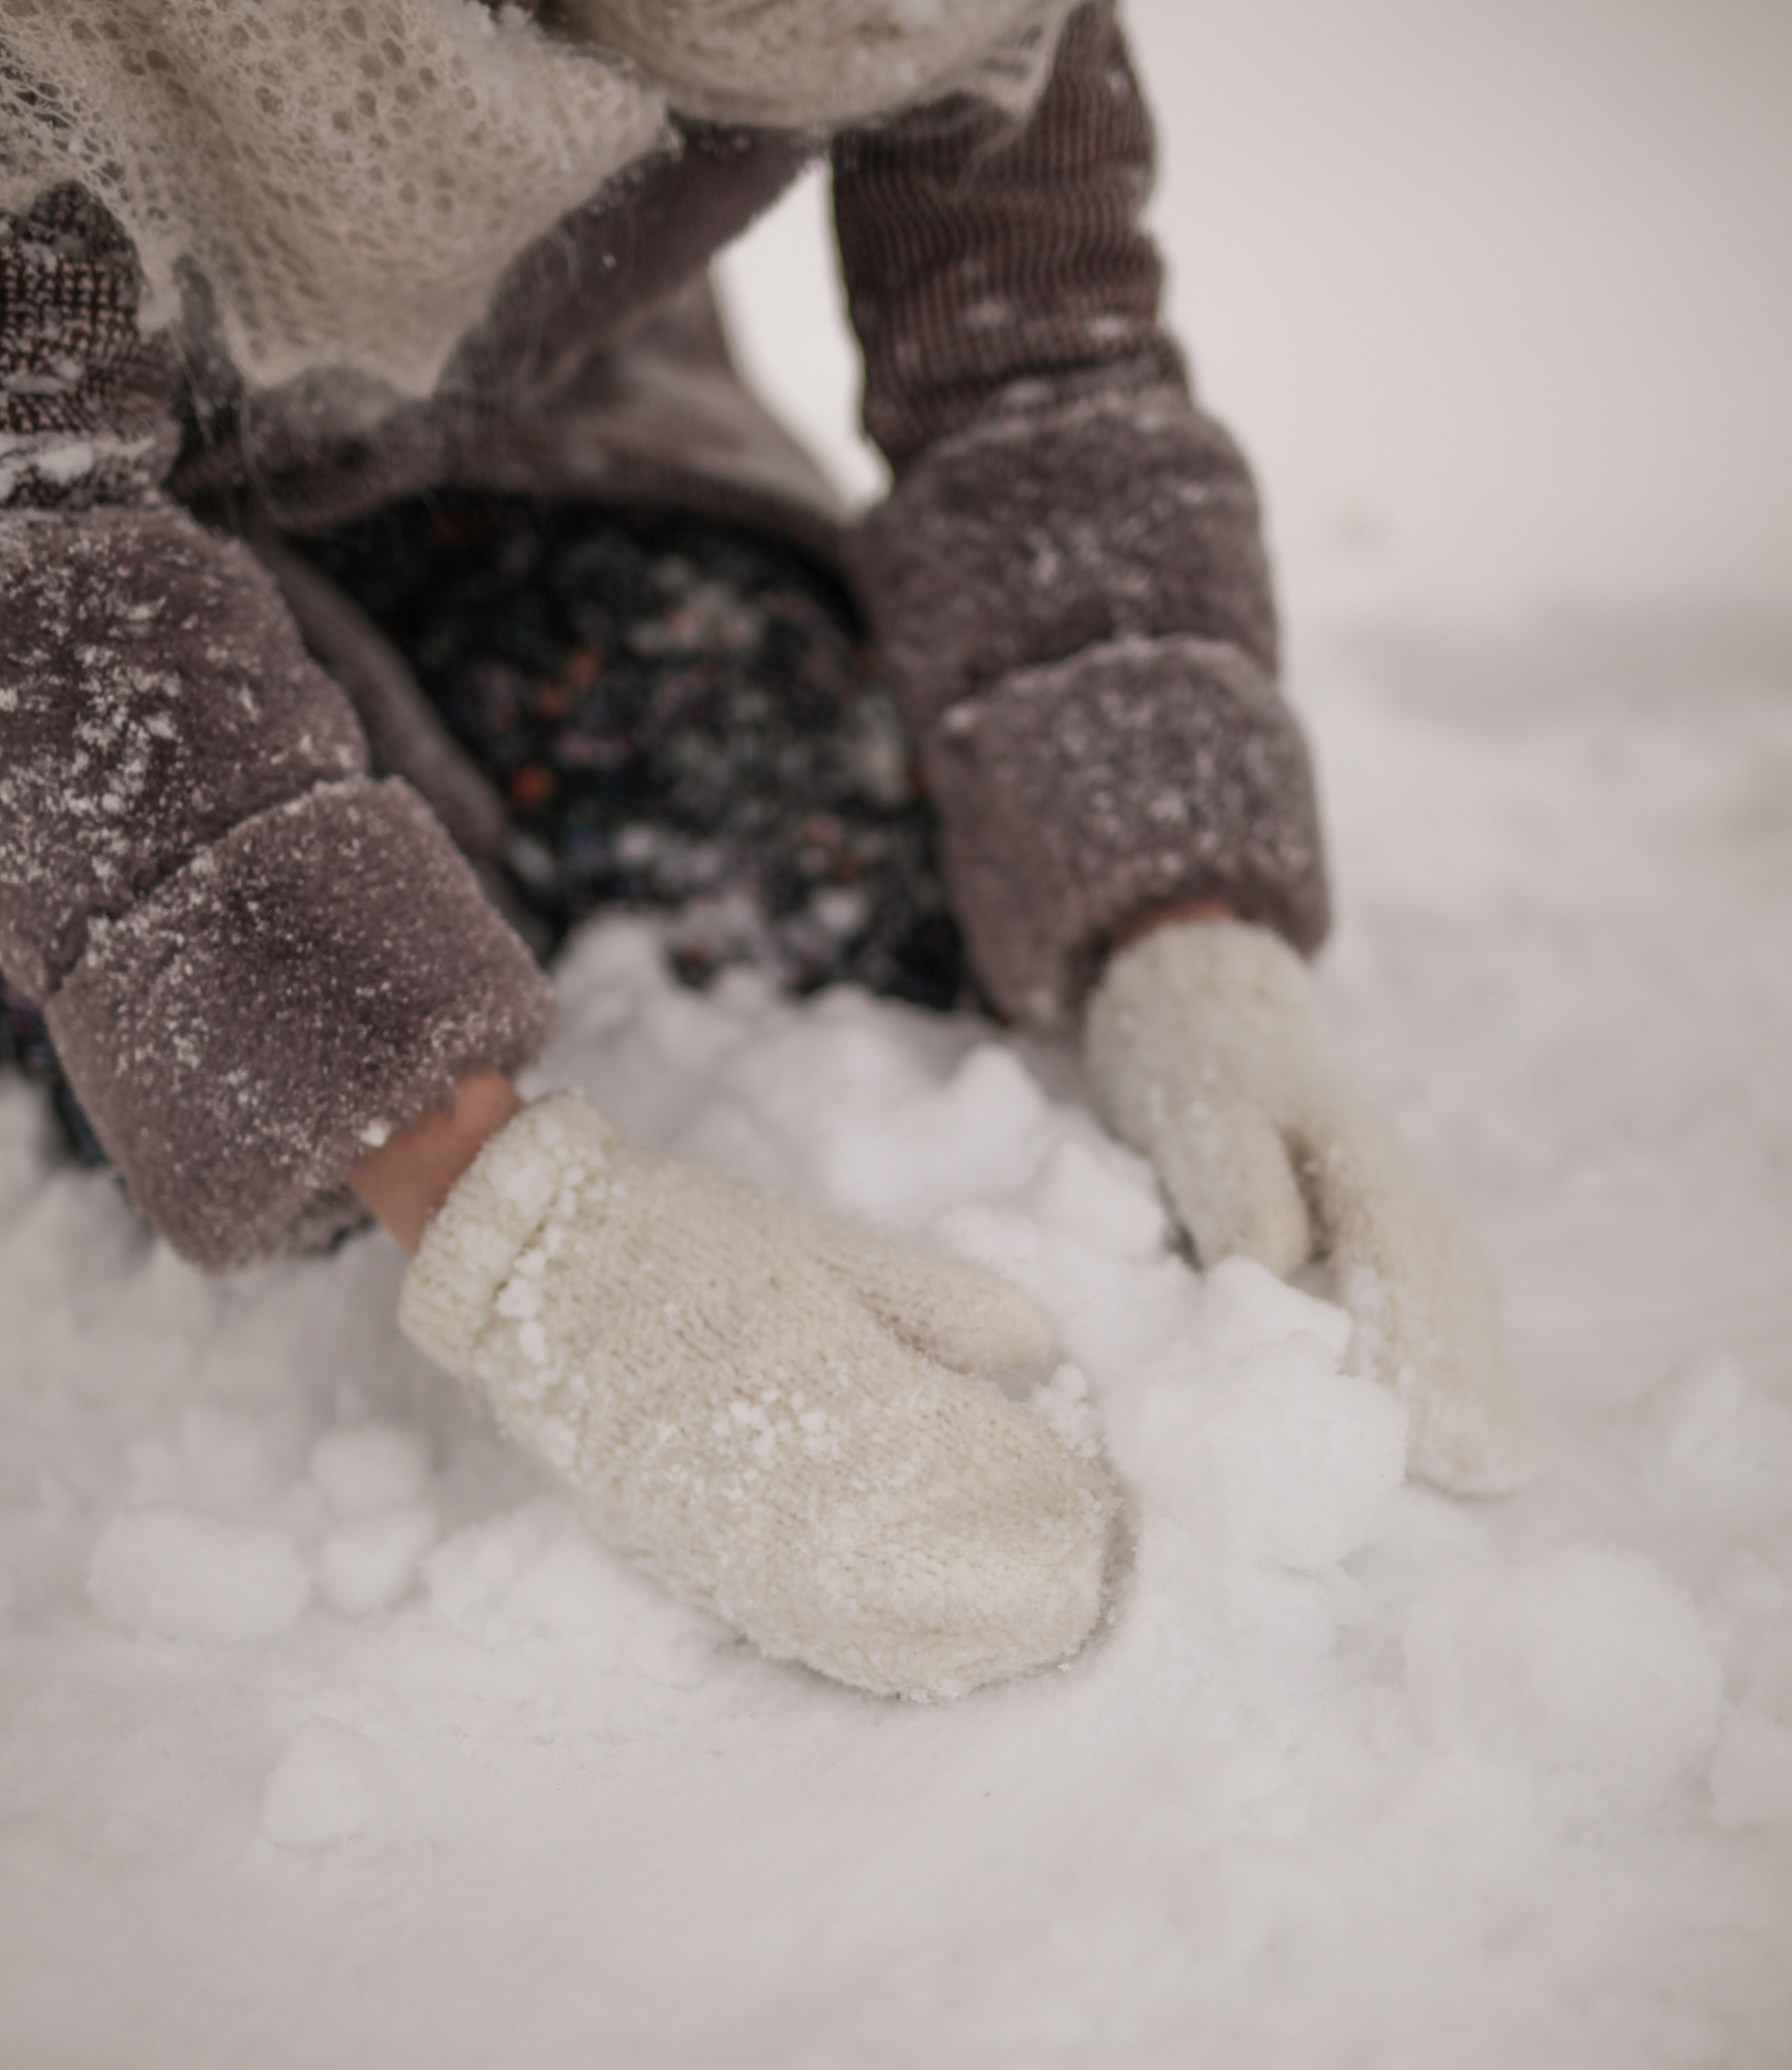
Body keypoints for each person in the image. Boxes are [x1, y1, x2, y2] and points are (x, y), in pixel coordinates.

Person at [0, 0, 1532, 1700]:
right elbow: (26, 563)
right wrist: (524, 1238)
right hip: (53, 566)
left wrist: (1192, 939)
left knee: (820, 842)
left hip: (508, 428)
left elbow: (1038, 357)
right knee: (200, 1045)